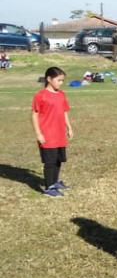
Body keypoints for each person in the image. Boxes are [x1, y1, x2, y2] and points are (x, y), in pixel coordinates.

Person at [31, 66, 74, 197]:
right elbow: (34, 114)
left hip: (59, 133)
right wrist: (38, 133)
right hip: (47, 134)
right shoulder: (40, 95)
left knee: (58, 160)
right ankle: (49, 188)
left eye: (62, 81)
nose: (61, 83)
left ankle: (55, 182)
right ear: (49, 79)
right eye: (59, 80)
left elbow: (64, 112)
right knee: (49, 162)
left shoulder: (61, 95)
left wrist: (69, 127)